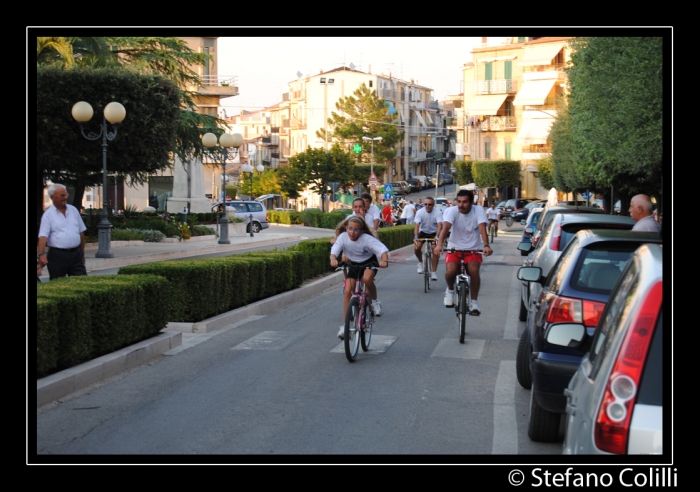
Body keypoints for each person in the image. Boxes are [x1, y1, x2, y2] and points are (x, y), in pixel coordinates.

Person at [330, 216, 389, 339]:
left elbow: (382, 250)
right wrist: (333, 259)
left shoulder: (367, 239)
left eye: (356, 230)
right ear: (346, 228)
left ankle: (375, 301)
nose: (352, 232)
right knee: (348, 291)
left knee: (367, 279)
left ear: (361, 231)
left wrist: (384, 260)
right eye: (350, 228)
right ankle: (346, 326)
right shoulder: (342, 237)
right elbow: (334, 251)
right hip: (354, 264)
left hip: (369, 262)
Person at [435, 190, 493, 315]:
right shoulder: (452, 211)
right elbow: (446, 228)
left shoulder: (478, 210)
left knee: (473, 270)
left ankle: (474, 302)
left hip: (473, 248)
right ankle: (450, 291)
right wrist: (439, 245)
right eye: (459, 202)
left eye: (465, 202)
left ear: (472, 202)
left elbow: (482, 228)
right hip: (454, 247)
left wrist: (486, 245)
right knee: (451, 271)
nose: (461, 205)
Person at [37, 183, 88, 280]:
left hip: (76, 254)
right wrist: (40, 255)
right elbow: (43, 236)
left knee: (81, 281)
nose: (65, 197)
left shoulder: (73, 210)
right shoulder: (48, 215)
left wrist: (82, 253)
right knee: (57, 282)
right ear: (52, 197)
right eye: (62, 195)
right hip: (57, 255)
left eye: (66, 194)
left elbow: (81, 233)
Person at [413, 197, 443, 281]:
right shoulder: (420, 212)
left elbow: (440, 226)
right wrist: (416, 237)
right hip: (423, 232)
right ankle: (420, 262)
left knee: (435, 250)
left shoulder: (437, 212)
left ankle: (434, 272)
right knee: (416, 247)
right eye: (425, 204)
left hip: (434, 233)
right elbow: (417, 226)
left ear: (433, 205)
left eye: (430, 204)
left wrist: (437, 237)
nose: (427, 206)